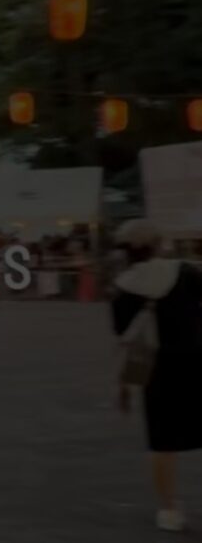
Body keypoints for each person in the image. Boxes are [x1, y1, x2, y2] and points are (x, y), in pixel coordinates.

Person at [111, 219, 202, 532]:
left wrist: (125, 385)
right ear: (158, 244)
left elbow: (130, 341)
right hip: (196, 362)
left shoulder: (122, 291)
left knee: (163, 444)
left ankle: (169, 510)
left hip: (157, 373)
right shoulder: (187, 273)